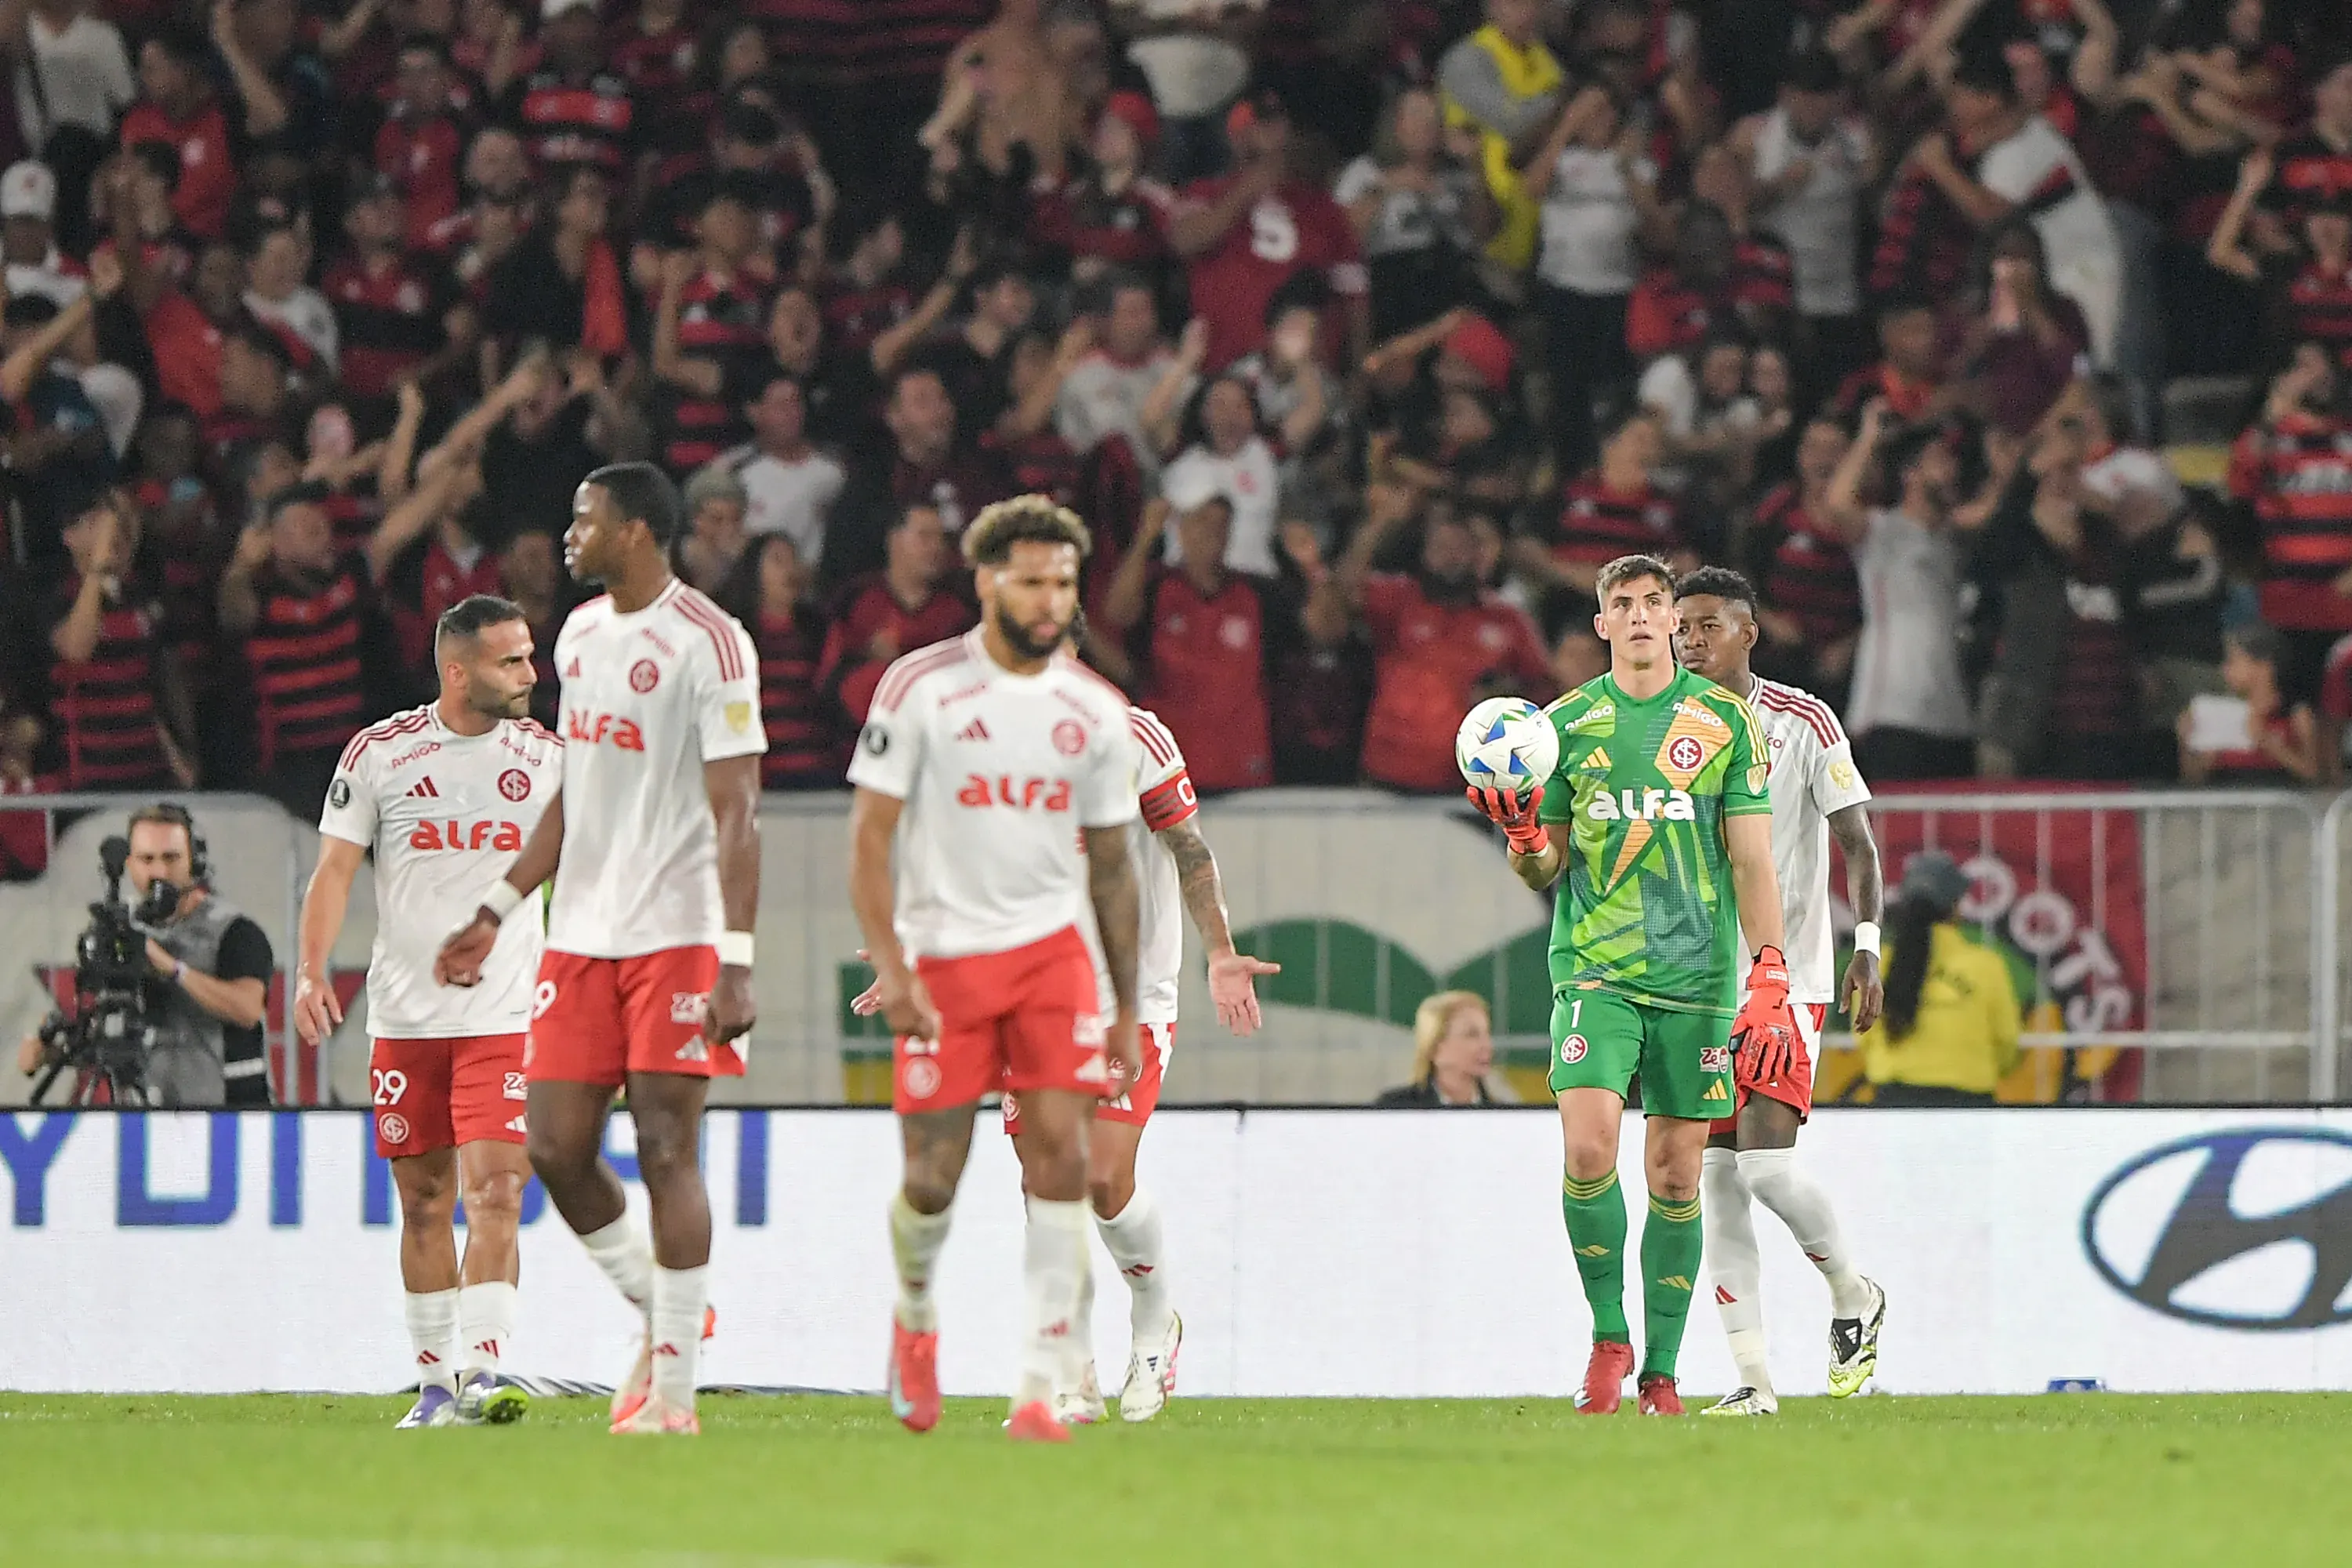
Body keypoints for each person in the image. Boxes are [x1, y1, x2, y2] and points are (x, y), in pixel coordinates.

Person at [434, 462, 765, 1437]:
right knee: (555, 1146)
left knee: (667, 1145)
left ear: (635, 530)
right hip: (578, 933)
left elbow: (738, 807)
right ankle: (671, 1314)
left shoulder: (712, 640)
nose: (568, 535)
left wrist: (737, 957)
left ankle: (673, 1389)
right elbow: (573, 790)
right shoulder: (579, 636)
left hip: (677, 933)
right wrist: (497, 905)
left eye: (584, 519)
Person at [844, 494, 1146, 1445]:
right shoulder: (921, 688)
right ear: (986, 580)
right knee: (933, 1174)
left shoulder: (1096, 710)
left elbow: (1111, 866)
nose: (1051, 597)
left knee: (1059, 1157)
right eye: (1031, 579)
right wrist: (893, 962)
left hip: (1053, 961)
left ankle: (1040, 1379)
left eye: (1064, 581)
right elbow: (867, 842)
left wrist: (1128, 1005)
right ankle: (917, 1313)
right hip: (947, 961)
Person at [1468, 553, 1795, 1417]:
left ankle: (1661, 1371)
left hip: (1699, 974)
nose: (1646, 615)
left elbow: (1753, 857)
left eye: (1658, 602)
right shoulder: (1561, 728)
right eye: (1627, 603)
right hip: (1596, 969)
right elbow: (1545, 869)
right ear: (1602, 624)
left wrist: (1772, 969)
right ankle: (1608, 1338)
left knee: (1679, 1172)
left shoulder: (1726, 721)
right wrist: (1521, 831)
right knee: (1587, 1145)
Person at [297, 595, 561, 1431]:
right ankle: (433, 1384)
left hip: (509, 1013)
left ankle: (483, 1370)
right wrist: (310, 971)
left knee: (497, 1191)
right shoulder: (380, 753)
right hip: (406, 1018)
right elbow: (335, 870)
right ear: (457, 671)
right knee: (421, 1202)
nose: (530, 673)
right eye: (510, 661)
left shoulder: (552, 758)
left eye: (530, 656)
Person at [1673, 567, 1889, 1416]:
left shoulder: (1803, 720)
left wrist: (1866, 948)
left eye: (1706, 625)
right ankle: (1753, 1382)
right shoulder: (1661, 727)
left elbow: (1859, 845)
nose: (1690, 640)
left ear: (1748, 631)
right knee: (1714, 1180)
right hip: (1691, 984)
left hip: (1782, 977)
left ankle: (1853, 1291)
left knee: (1764, 1167)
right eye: (1681, 626)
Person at [16, 803, 272, 1106]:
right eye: (147, 859)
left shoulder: (235, 930)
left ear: (195, 861)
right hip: (144, 1116)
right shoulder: (119, 929)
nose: (160, 872)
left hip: (227, 1117)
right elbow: (109, 1035)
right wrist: (50, 1054)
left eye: (171, 858)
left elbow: (248, 1009)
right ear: (130, 863)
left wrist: (173, 968)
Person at [1857, 852, 2022, 1107]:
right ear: (1956, 906)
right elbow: (2007, 1044)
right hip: (1970, 1104)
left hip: (1893, 1104)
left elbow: (1863, 1036)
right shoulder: (1986, 966)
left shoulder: (1875, 965)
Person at [1374, 991, 1502, 1106]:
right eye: (1471, 1034)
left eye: (1487, 1034)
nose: (1487, 1046)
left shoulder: (1505, 1118)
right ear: (1435, 1047)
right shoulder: (1394, 1109)